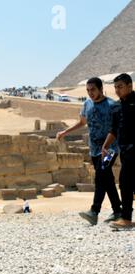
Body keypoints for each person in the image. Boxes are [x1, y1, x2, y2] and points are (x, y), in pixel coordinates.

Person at [57, 77, 122, 225]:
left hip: (110, 149)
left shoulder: (112, 106)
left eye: (93, 89)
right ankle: (118, 210)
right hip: (94, 150)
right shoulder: (87, 104)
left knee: (100, 177)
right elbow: (82, 122)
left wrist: (109, 146)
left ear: (100, 89)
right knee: (107, 179)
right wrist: (64, 132)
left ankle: (94, 211)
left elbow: (117, 128)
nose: (90, 93)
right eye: (88, 90)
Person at [102, 73, 135, 230]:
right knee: (125, 183)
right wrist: (106, 145)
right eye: (115, 87)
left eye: (120, 87)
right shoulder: (115, 107)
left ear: (130, 86)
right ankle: (126, 219)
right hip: (126, 152)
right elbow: (114, 129)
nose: (117, 90)